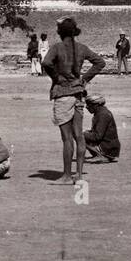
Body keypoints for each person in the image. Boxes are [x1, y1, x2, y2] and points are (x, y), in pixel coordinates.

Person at [41, 17, 105, 183]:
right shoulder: (82, 48)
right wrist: (84, 79)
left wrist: (56, 77)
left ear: (60, 32)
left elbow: (46, 63)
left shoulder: (57, 48)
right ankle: (79, 174)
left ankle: (67, 176)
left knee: (67, 139)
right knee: (79, 136)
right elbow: (100, 62)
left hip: (63, 94)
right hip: (78, 93)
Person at [84, 91, 120, 163]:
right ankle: (100, 154)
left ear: (96, 105)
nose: (86, 107)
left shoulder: (102, 115)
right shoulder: (100, 113)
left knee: (80, 136)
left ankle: (101, 155)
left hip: (109, 148)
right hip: (110, 146)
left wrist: (83, 134)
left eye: (89, 104)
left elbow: (97, 136)